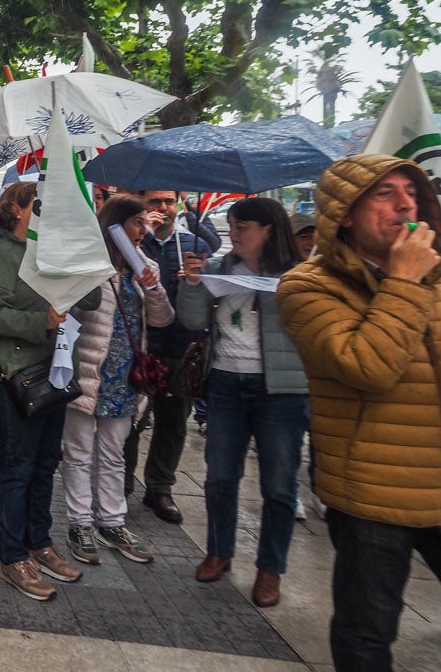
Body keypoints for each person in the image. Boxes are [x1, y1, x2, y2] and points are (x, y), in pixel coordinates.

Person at [278, 155, 441, 671]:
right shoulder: (308, 286)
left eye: (411, 192)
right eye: (384, 193)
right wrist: (404, 282)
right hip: (374, 492)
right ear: (346, 213)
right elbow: (368, 366)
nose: (404, 203)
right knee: (367, 633)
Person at [178, 197, 306, 608]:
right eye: (231, 225)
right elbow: (191, 319)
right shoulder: (218, 267)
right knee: (219, 476)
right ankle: (219, 551)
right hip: (227, 383)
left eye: (243, 227)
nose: (233, 233)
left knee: (279, 485)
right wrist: (193, 282)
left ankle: (271, 568)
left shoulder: (297, 275)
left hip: (281, 389)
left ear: (268, 231)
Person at [0, 182, 100, 601]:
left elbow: (94, 296)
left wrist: (75, 251)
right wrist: (42, 320)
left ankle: (39, 539)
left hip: (57, 369)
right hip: (15, 374)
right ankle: (14, 555)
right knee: (19, 462)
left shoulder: (55, 250)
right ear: (14, 210)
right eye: (39, 205)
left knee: (47, 460)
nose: (47, 212)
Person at [64, 195, 172, 568]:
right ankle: (79, 523)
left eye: (146, 223)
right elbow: (71, 310)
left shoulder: (147, 267)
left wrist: (154, 287)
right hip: (88, 371)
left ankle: (112, 521)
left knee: (113, 454)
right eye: (137, 223)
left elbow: (161, 321)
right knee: (78, 453)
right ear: (115, 225)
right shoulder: (88, 264)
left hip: (126, 377)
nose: (145, 230)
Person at [133, 189, 218, 524]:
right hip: (144, 347)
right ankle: (120, 485)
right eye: (155, 202)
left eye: (168, 202)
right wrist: (143, 238)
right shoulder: (135, 243)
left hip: (182, 348)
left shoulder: (197, 245)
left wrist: (197, 280)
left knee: (173, 424)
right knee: (132, 424)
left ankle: (160, 486)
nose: (163, 208)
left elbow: (211, 298)